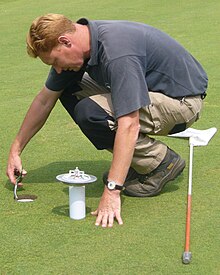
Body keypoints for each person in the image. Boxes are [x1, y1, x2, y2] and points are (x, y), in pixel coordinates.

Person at [6, 14, 208, 228]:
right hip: (152, 92)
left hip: (182, 103)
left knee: (90, 111)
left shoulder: (116, 52)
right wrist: (16, 150)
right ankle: (136, 162)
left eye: (56, 61)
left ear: (65, 41)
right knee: (67, 90)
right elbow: (45, 100)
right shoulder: (84, 46)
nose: (57, 69)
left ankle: (160, 162)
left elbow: (129, 123)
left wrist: (112, 190)